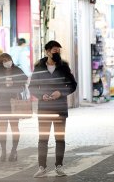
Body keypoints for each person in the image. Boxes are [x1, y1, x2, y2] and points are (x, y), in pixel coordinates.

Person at [29, 40, 77, 178]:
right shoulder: (39, 67)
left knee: (59, 139)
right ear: (47, 52)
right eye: (54, 50)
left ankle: (59, 167)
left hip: (60, 108)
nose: (57, 53)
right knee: (43, 139)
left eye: (58, 51)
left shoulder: (64, 67)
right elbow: (32, 87)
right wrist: (41, 95)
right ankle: (42, 168)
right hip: (44, 108)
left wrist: (61, 93)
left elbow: (73, 85)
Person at [0, 53, 27, 162]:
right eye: (4, 60)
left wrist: (15, 85)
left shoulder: (18, 70)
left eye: (8, 59)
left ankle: (14, 150)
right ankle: (3, 151)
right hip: (1, 101)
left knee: (14, 126)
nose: (6, 62)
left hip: (13, 101)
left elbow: (24, 83)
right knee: (2, 127)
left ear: (11, 60)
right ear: (1, 62)